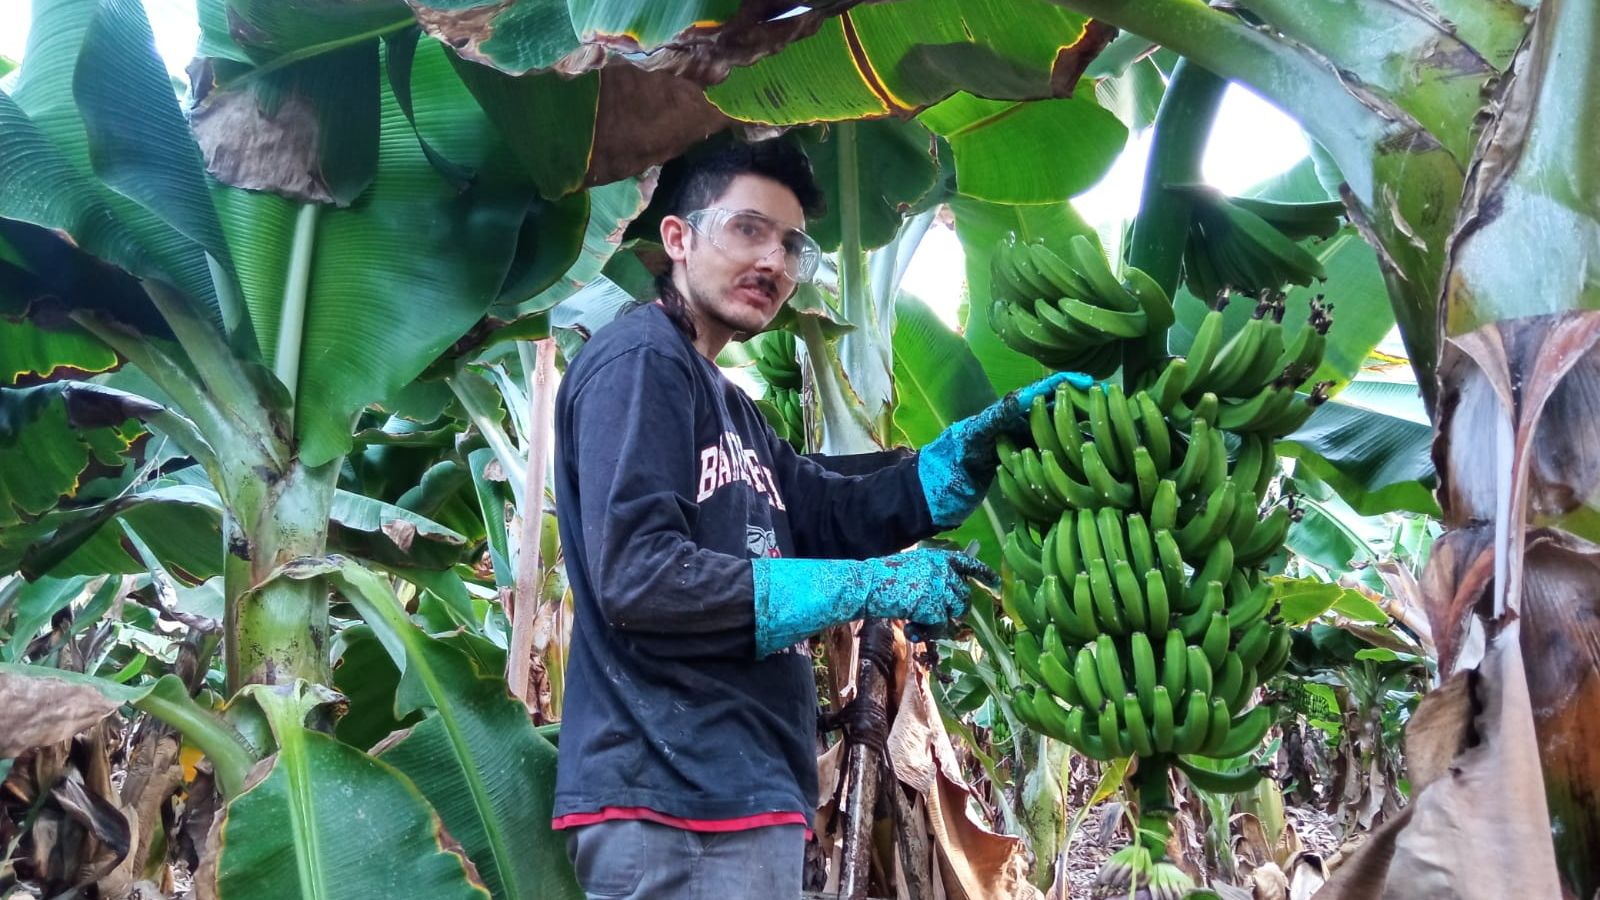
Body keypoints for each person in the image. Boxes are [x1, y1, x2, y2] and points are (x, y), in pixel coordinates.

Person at [550, 139, 1086, 898]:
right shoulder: (639, 363)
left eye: (791, 243)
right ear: (677, 237)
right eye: (746, 229)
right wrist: (870, 585)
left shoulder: (731, 405)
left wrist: (956, 460)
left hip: (742, 796)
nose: (773, 259)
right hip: (671, 801)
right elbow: (640, 581)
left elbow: (826, 506)